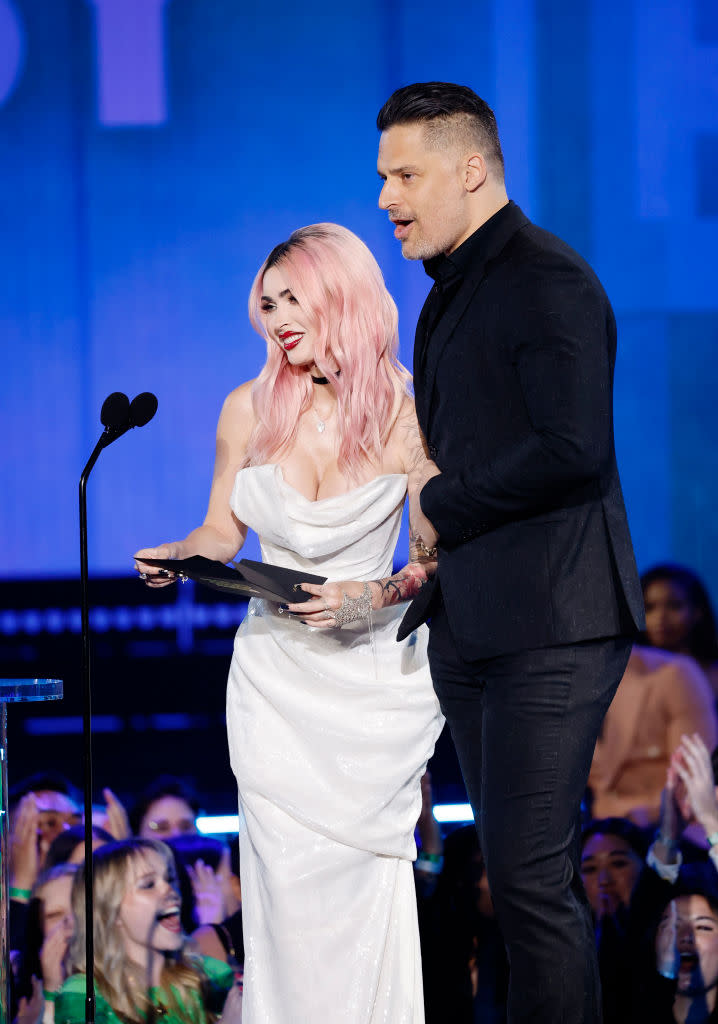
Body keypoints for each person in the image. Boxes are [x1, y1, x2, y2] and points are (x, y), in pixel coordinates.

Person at [376, 81, 645, 1022]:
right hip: (477, 626)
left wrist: (444, 503)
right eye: (383, 176)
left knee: (530, 878)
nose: (387, 198)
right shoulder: (450, 292)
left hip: (554, 624)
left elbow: (575, 448)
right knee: (509, 873)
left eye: (405, 174)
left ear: (473, 168)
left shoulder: (548, 278)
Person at [134, 223, 444, 1022]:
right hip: (277, 687)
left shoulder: (409, 416)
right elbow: (221, 533)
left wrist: (366, 597)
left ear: (339, 295)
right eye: (266, 303)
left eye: (291, 298)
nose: (275, 318)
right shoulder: (247, 409)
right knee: (285, 904)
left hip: (372, 696)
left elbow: (435, 563)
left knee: (365, 900)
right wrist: (184, 551)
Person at [54, 839, 238, 1024]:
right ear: (109, 909)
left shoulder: (209, 975)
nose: (169, 889)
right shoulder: (85, 994)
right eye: (149, 885)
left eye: (170, 879)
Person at [589, 646, 717, 825]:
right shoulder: (558, 684)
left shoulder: (675, 674)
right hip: (596, 833)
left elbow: (693, 784)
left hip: (669, 831)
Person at [642, 564, 718, 698]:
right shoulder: (628, 675)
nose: (660, 617)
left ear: (697, 611)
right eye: (649, 607)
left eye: (674, 606)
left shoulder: (713, 674)